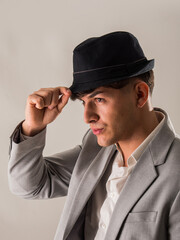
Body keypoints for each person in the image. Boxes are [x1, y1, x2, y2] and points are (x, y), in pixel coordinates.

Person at [8, 32, 180, 240]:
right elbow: (29, 186)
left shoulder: (175, 170)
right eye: (83, 102)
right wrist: (32, 128)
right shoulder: (95, 149)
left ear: (140, 94)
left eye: (99, 99)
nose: (87, 117)